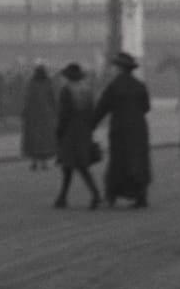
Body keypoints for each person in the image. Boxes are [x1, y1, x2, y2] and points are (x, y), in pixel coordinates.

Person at [93, 51, 152, 207]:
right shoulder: (140, 86)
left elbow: (101, 108)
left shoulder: (113, 86)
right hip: (139, 128)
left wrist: (90, 126)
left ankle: (112, 194)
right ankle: (141, 195)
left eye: (114, 66)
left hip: (120, 128)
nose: (112, 69)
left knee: (118, 161)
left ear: (119, 68)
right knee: (138, 161)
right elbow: (146, 107)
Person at [51, 63, 102, 209]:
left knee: (72, 164)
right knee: (76, 164)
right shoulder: (87, 89)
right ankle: (63, 197)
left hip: (71, 130)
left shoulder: (66, 90)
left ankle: (94, 194)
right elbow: (92, 111)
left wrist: (59, 132)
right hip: (84, 129)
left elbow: (64, 114)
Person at [21, 62, 58, 171]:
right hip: (46, 115)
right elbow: (53, 99)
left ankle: (34, 162)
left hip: (33, 115)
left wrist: (25, 112)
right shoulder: (48, 83)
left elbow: (27, 98)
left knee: (34, 139)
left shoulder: (31, 83)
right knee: (44, 140)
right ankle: (44, 162)